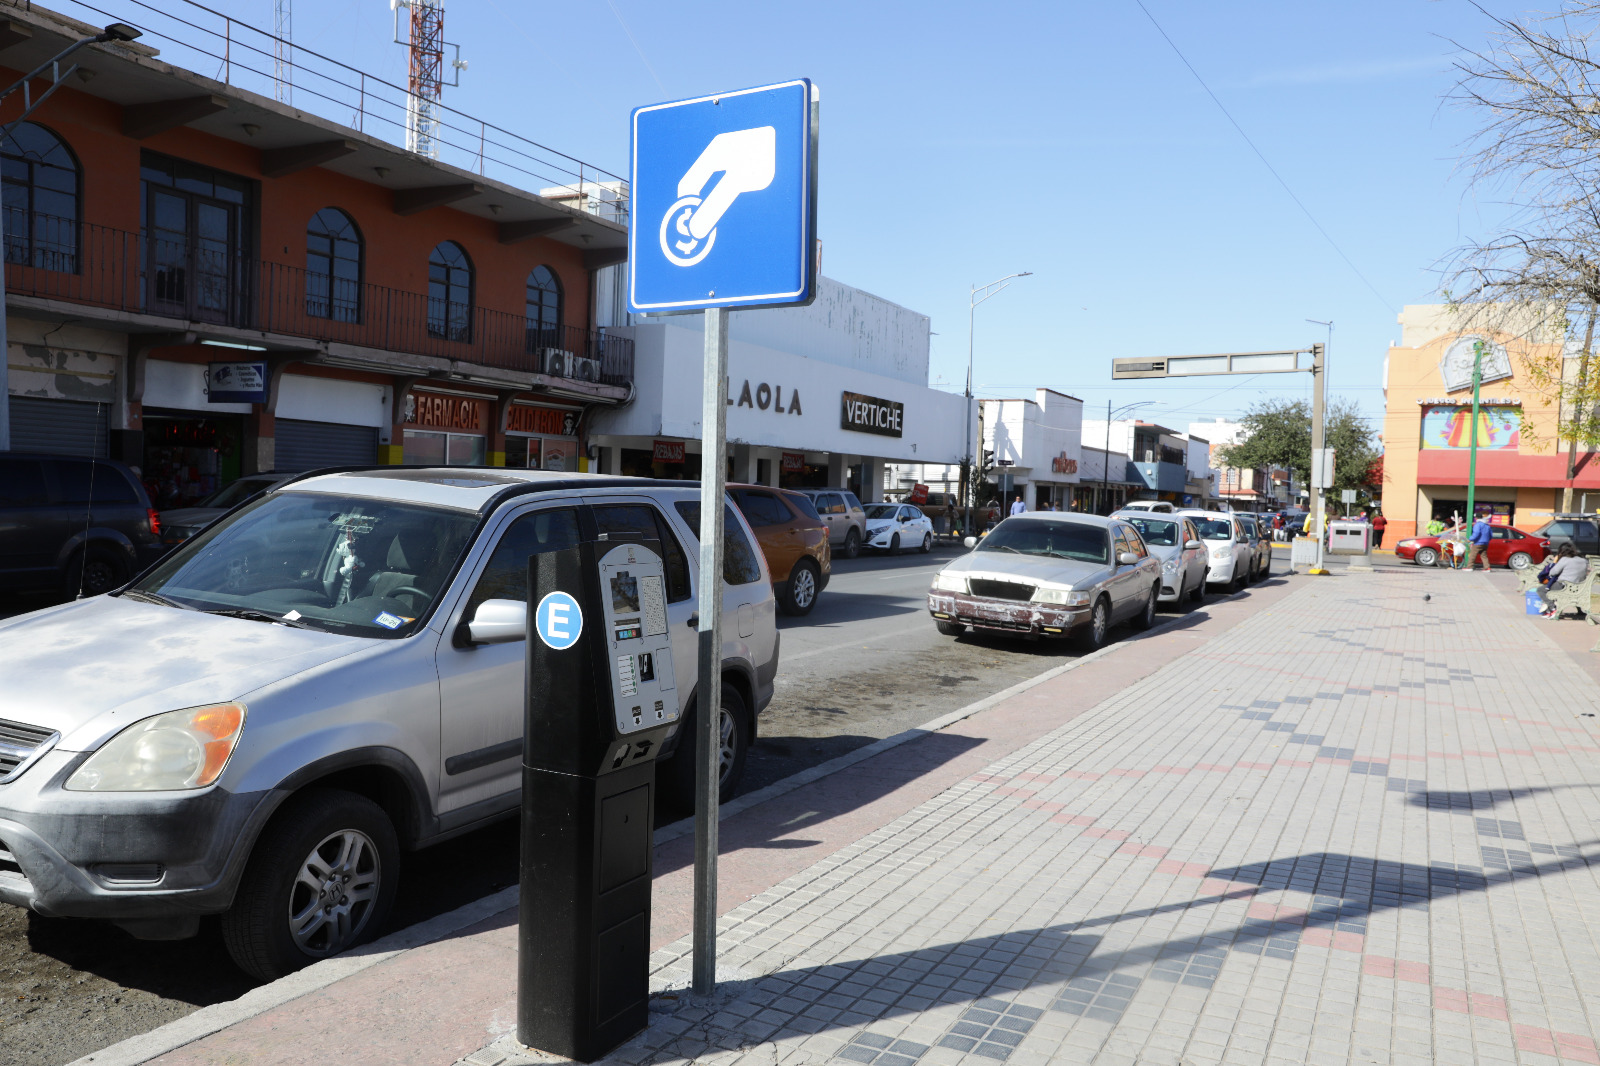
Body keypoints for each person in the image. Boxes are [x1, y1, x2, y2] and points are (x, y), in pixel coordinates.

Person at [1539, 545, 1589, 618]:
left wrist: (1554, 562)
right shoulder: (1584, 560)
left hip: (1563, 587)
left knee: (1540, 590)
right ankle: (1579, 610)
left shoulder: (1565, 559)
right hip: (1579, 588)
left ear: (1561, 552)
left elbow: (1553, 572)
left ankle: (1553, 608)